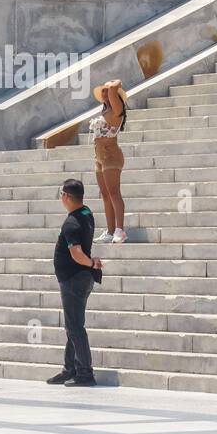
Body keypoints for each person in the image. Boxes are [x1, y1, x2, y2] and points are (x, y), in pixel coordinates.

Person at [48, 179, 103, 387]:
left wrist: (91, 263)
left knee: (75, 327)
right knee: (73, 324)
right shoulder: (86, 213)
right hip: (81, 278)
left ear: (66, 197)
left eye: (61, 194)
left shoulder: (71, 223)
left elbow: (77, 253)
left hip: (74, 279)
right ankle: (70, 368)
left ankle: (85, 373)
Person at [90, 79, 128, 244]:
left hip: (111, 155)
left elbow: (114, 87)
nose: (105, 93)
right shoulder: (105, 110)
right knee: (105, 195)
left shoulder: (117, 110)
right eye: (103, 91)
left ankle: (120, 230)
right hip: (99, 157)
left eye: (107, 91)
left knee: (114, 192)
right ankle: (110, 231)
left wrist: (113, 86)